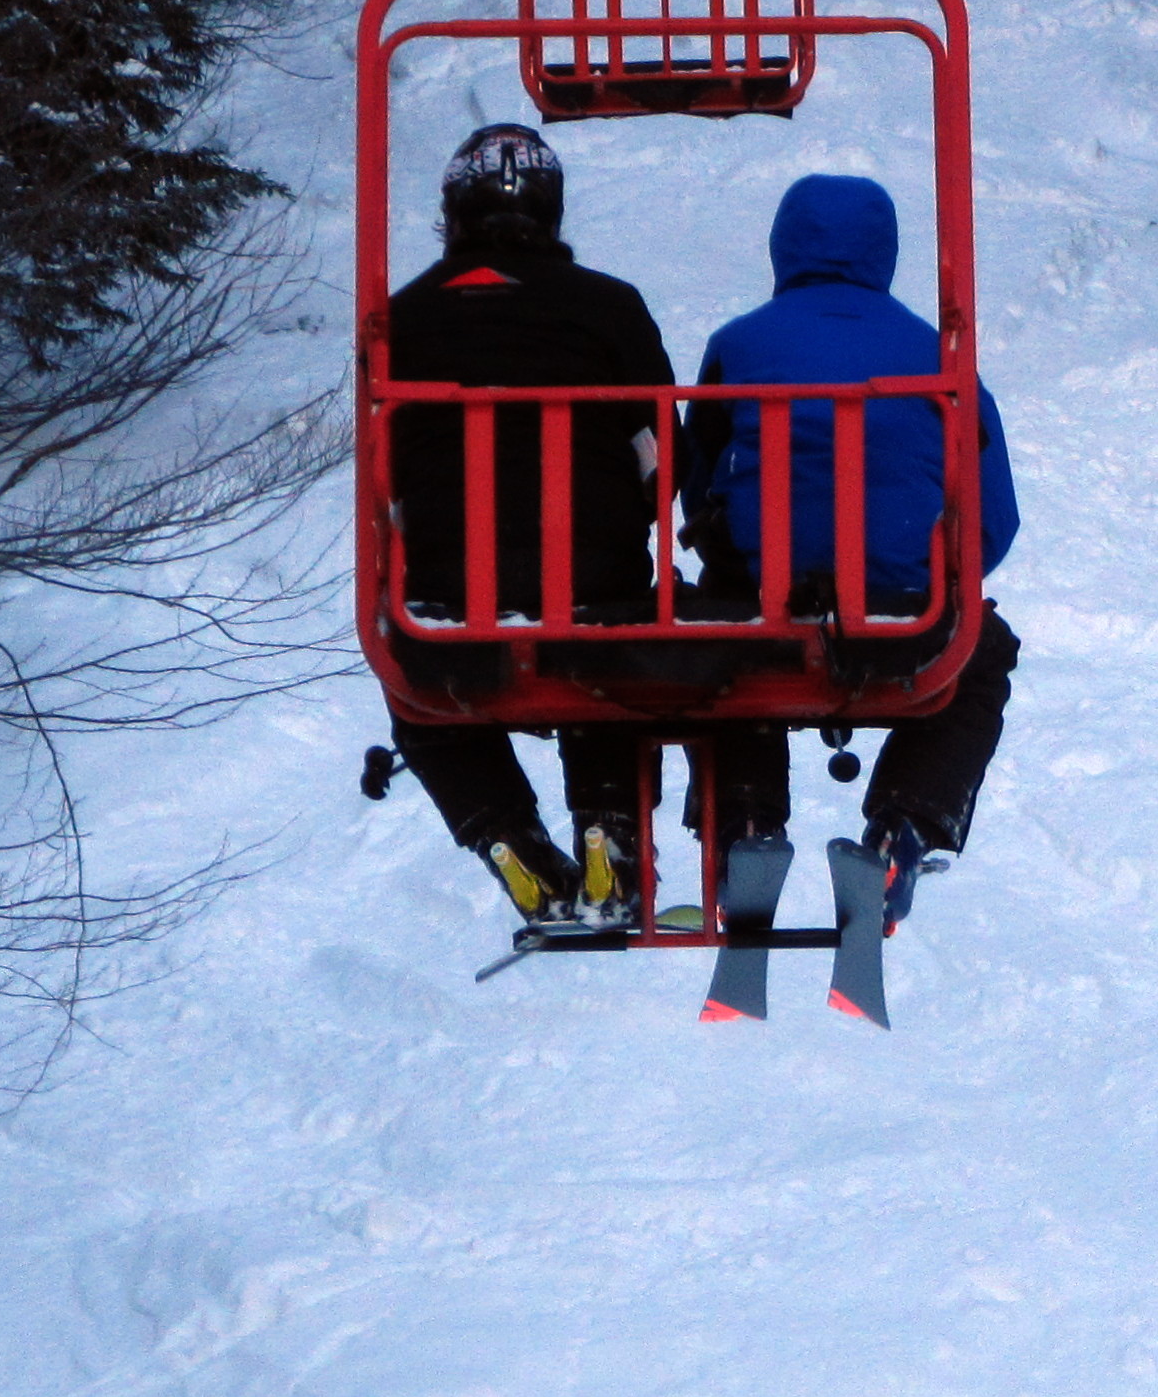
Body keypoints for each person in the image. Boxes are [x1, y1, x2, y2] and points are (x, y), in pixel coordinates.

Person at [678, 173, 1022, 929]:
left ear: (783, 245)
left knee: (723, 655)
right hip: (903, 611)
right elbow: (992, 518)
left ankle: (744, 828)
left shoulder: (737, 346)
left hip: (762, 610)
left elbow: (695, 484)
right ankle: (905, 827)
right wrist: (934, 577)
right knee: (978, 657)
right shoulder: (939, 358)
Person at [383, 124, 674, 927]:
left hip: (448, 598)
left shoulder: (401, 319)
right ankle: (606, 831)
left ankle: (505, 833)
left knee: (416, 690)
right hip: (593, 590)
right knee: (602, 660)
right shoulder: (609, 307)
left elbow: (391, 469)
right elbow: (661, 457)